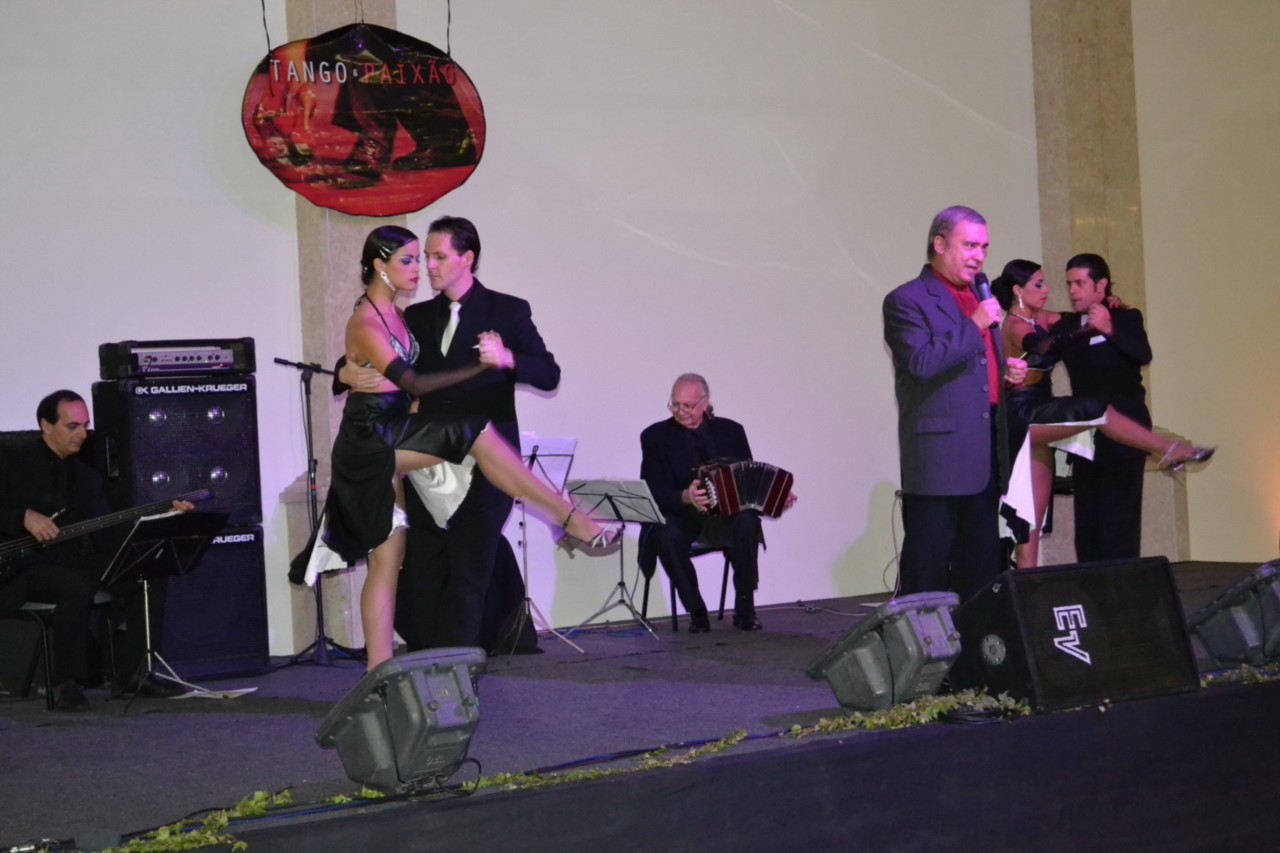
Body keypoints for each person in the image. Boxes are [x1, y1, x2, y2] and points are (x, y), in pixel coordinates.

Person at [320, 225, 618, 670]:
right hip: (422, 461)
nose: (428, 266)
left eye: (438, 257)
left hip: (490, 465)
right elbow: (373, 354)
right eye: (421, 257)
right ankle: (419, 670)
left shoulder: (508, 310)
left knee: (469, 571)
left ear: (468, 258)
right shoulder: (415, 315)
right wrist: (343, 373)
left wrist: (506, 359)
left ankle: (454, 675)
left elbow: (548, 374)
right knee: (419, 570)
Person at [991, 259, 1214, 568]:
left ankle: (1034, 592)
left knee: (1050, 526)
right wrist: (1089, 327)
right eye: (1042, 284)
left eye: (1077, 283)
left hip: (1083, 425)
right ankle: (1168, 449)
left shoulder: (1094, 317)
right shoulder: (1030, 325)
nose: (1059, 290)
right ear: (1018, 290)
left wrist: (1108, 317)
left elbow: (1133, 349)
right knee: (1098, 415)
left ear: (1101, 284)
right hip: (1050, 420)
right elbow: (1043, 346)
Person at [0, 391, 193, 710]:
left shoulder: (86, 476)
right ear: (46, 425)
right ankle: (67, 683)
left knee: (146, 572)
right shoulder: (12, 462)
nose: (82, 434)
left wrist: (163, 517)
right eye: (72, 426)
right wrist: (22, 516)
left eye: (85, 426)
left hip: (68, 561)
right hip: (17, 568)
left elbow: (108, 536)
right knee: (74, 586)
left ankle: (133, 675)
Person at [882, 206, 1028, 602]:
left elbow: (973, 373)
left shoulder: (981, 297)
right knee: (928, 566)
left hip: (984, 454)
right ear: (940, 243)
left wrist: (1005, 375)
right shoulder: (906, 300)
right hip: (939, 459)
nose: (979, 256)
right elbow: (921, 363)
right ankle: (923, 640)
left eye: (984, 247)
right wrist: (975, 323)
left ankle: (975, 639)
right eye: (970, 245)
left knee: (980, 568)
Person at [1052, 253, 1211, 562]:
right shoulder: (1068, 326)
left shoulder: (1126, 318)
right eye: (1069, 284)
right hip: (1087, 436)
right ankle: (1091, 587)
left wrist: (1109, 328)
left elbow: (1142, 354)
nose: (1072, 290)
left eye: (1080, 283)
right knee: (1087, 527)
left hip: (1126, 435)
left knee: (1119, 524)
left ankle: (1122, 589)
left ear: (1101, 285)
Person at [639, 374, 794, 632]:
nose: (681, 411)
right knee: (665, 536)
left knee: (747, 521)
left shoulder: (731, 431)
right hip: (683, 517)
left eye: (688, 405)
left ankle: (745, 609)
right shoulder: (655, 436)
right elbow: (653, 490)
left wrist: (775, 497)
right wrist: (686, 496)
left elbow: (750, 483)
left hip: (726, 516)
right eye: (675, 404)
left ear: (705, 402)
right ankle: (697, 611)